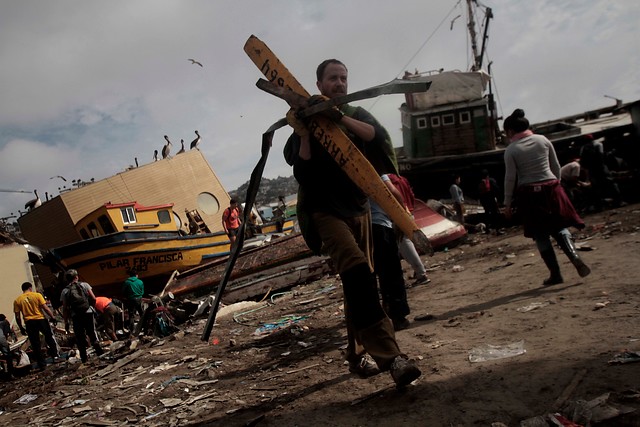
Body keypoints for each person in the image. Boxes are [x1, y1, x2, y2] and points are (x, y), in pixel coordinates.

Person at [283, 58, 421, 388]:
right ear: (319, 84)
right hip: (323, 210)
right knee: (358, 271)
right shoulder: (305, 121)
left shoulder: (355, 116)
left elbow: (378, 138)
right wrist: (304, 132)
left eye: (344, 78)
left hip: (358, 208)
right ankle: (393, 358)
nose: (340, 83)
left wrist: (339, 117)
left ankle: (357, 355)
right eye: (333, 78)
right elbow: (301, 170)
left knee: (357, 282)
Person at [503, 109, 590, 285]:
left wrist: (507, 203)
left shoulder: (511, 149)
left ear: (510, 131)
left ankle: (555, 274)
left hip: (529, 194)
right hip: (551, 188)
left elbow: (510, 178)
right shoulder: (543, 140)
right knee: (559, 226)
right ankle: (574, 256)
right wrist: (556, 184)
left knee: (540, 233)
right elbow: (556, 166)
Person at [370, 175, 412, 331]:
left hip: (359, 230)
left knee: (370, 276)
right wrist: (402, 216)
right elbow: (393, 191)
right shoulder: (373, 166)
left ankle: (377, 321)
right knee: (391, 273)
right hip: (380, 225)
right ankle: (398, 317)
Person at [388, 173, 430, 285]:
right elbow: (411, 195)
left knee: (404, 244)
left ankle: (421, 274)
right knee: (408, 243)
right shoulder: (402, 179)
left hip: (400, 215)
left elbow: (393, 195)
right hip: (409, 212)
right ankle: (419, 272)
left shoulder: (388, 180)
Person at [13, 282, 60, 370]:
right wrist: (52, 317)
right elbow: (45, 308)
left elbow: (17, 316)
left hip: (29, 322)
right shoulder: (37, 295)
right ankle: (55, 357)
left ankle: (42, 364)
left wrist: (21, 327)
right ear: (30, 288)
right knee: (49, 338)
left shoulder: (18, 300)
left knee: (35, 343)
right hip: (40, 319)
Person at [60, 269, 104, 363]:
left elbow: (65, 308)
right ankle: (100, 353)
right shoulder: (84, 285)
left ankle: (84, 358)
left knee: (80, 337)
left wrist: (66, 321)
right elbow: (93, 298)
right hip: (88, 312)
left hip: (75, 315)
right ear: (76, 277)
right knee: (92, 333)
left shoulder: (65, 291)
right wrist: (91, 307)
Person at [579, 134, 623, 210]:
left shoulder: (583, 148)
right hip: (601, 168)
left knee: (596, 187)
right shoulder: (598, 144)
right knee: (611, 184)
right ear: (593, 139)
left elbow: (582, 161)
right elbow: (601, 156)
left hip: (592, 170)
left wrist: (588, 168)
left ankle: (599, 206)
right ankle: (618, 202)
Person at [122, 268, 145, 334]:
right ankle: (144, 326)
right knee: (142, 313)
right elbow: (142, 292)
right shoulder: (140, 282)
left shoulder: (127, 282)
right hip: (139, 299)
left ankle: (132, 330)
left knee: (131, 314)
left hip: (130, 299)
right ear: (136, 275)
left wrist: (127, 296)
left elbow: (123, 291)